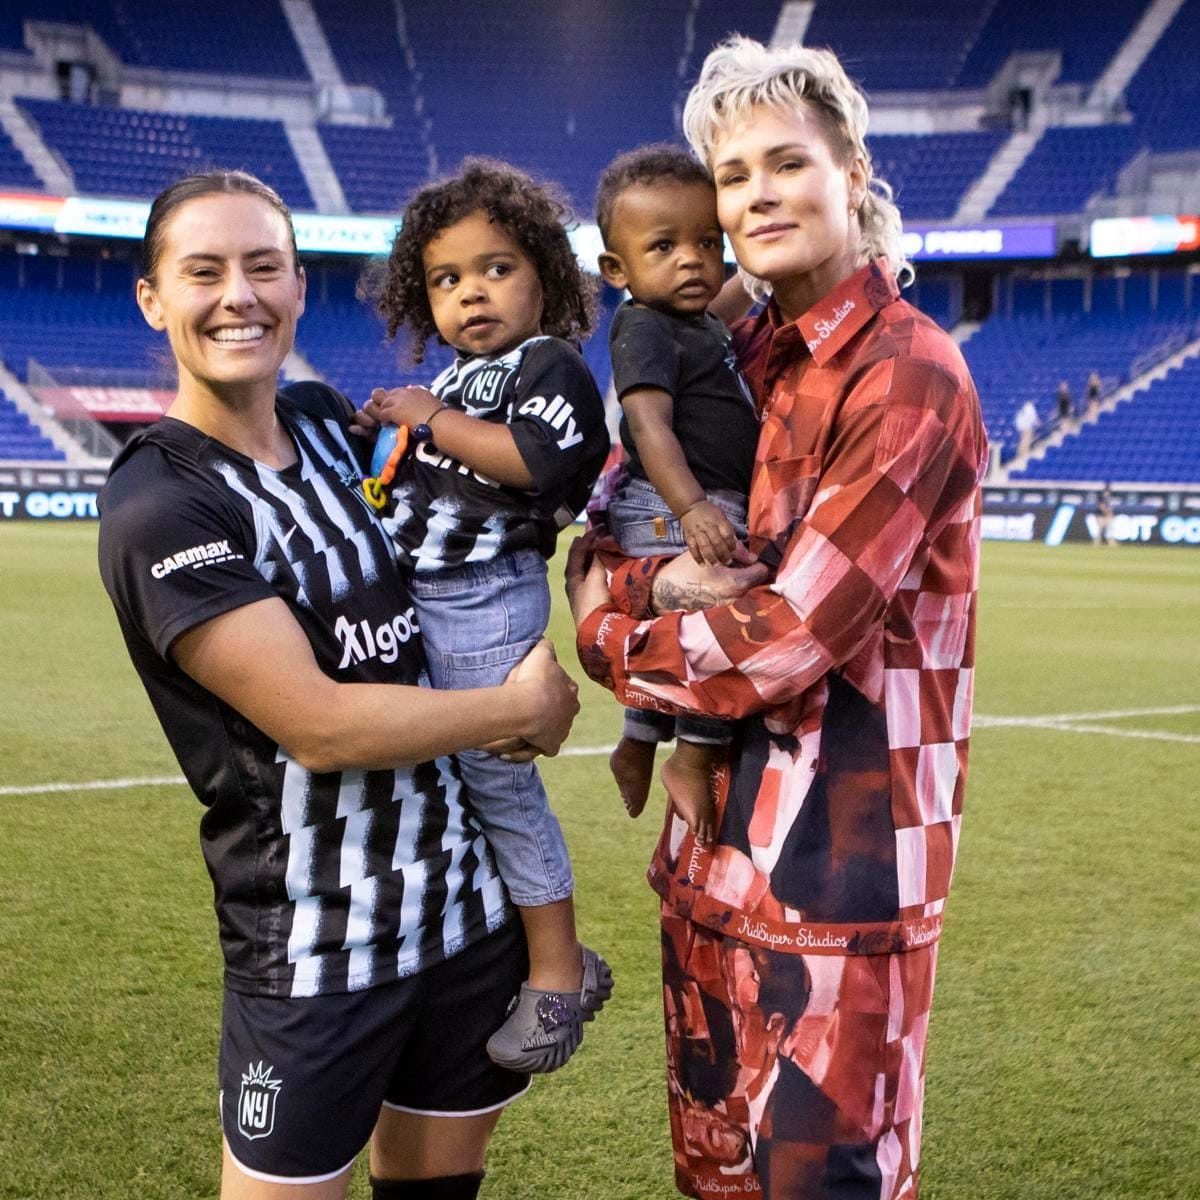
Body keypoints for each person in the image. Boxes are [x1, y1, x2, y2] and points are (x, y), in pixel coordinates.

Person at [98, 169, 583, 1200]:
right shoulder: (161, 505)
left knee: (440, 1183)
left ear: (298, 285)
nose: (240, 296)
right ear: (153, 299)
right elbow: (316, 725)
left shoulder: (330, 425)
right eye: (204, 271)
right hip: (317, 953)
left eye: (263, 267)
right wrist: (520, 706)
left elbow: (494, 509)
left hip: (463, 916)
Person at [569, 37, 988, 1200]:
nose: (758, 193)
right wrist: (633, 582)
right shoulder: (735, 354)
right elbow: (603, 533)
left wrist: (610, 631)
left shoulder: (909, 374)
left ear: (850, 170)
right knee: (712, 1183)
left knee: (823, 1189)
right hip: (710, 868)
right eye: (734, 174)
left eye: (787, 162)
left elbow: (788, 637)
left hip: (836, 892)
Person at [354, 158, 613, 1074]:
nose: (471, 294)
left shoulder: (549, 366)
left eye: (496, 268)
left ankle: (559, 973)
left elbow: (537, 461)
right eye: (446, 279)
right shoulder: (458, 382)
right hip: (419, 597)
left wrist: (427, 422)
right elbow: (402, 484)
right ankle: (483, 944)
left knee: (499, 781)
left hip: (485, 596)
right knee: (444, 776)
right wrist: (379, 441)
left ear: (545, 271)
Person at [593, 143, 760, 842]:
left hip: (696, 501)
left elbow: (739, 286)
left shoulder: (696, 319)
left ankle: (636, 739)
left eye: (706, 242)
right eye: (664, 247)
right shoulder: (645, 325)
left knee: (680, 631)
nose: (692, 259)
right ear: (617, 270)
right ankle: (692, 756)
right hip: (672, 504)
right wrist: (693, 509)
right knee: (725, 617)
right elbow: (649, 426)